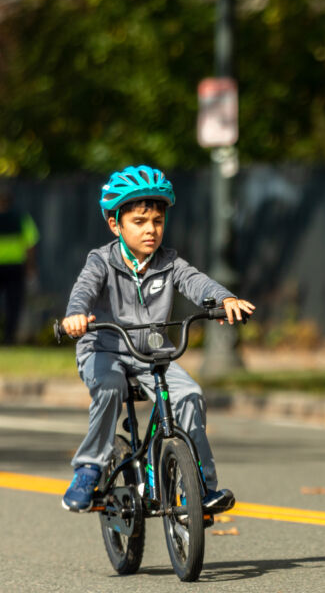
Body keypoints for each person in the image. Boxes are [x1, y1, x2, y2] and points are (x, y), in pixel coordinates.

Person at [58, 165, 255, 513]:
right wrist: (76, 316)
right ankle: (89, 468)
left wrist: (224, 299)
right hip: (104, 348)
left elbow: (198, 282)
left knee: (190, 394)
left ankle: (202, 487)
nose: (151, 229)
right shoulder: (101, 261)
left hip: (151, 354)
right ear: (115, 225)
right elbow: (84, 290)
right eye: (139, 222)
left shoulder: (169, 262)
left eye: (158, 221)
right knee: (109, 385)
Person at [0, 189, 39, 344]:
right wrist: (30, 267)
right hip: (15, 266)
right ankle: (8, 337)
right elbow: (30, 244)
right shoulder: (20, 218)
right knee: (13, 304)